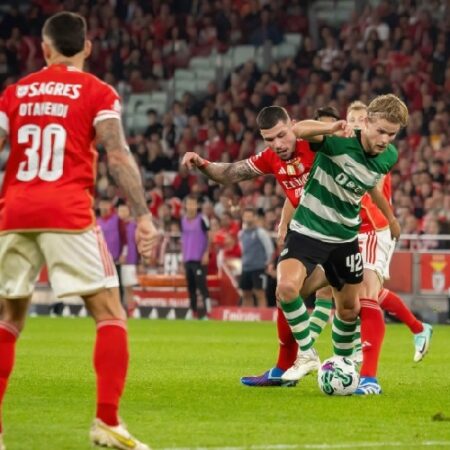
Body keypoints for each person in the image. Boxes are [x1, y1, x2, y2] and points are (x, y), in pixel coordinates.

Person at [0, 12, 158, 450]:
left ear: (45, 48)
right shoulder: (97, 92)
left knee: (8, 319)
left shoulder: (14, 93)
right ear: (87, 48)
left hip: (13, 213)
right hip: (67, 211)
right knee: (110, 312)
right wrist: (142, 215)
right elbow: (117, 153)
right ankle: (107, 422)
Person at [182, 105, 341, 386]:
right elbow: (230, 172)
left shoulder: (315, 143)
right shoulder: (271, 159)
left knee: (352, 303)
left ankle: (361, 372)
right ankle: (290, 364)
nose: (278, 144)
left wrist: (332, 127)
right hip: (306, 234)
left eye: (282, 135)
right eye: (269, 139)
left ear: (292, 125)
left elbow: (313, 131)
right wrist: (203, 164)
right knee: (286, 292)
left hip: (341, 231)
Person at [274, 94, 405, 393]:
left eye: (392, 134)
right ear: (367, 122)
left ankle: (344, 364)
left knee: (348, 310)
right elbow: (298, 131)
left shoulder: (390, 156)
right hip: (308, 229)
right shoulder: (339, 140)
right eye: (381, 130)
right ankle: (306, 355)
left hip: (345, 238)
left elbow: (369, 181)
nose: (385, 139)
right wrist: (331, 129)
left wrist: (390, 217)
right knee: (286, 289)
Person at [181, 195, 211, 318]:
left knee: (202, 286)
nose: (191, 207)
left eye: (193, 204)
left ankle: (208, 312)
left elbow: (209, 236)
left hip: (199, 259)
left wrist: (206, 252)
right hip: (188, 258)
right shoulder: (182, 220)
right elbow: (184, 240)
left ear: (197, 206)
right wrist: (182, 257)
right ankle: (193, 312)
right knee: (191, 287)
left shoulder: (202, 219)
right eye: (189, 204)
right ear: (185, 206)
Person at [238, 208, 274, 307]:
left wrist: (266, 263)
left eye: (250, 216)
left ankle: (262, 318)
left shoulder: (260, 232)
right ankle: (247, 318)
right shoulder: (241, 233)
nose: (248, 218)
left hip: (258, 268)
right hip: (245, 268)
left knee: (260, 294)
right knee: (245, 294)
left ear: (254, 217)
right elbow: (242, 250)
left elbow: (269, 249)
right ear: (243, 218)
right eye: (246, 216)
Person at [117, 203, 139, 313]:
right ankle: (125, 307)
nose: (122, 214)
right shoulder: (115, 226)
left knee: (128, 286)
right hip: (116, 261)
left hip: (130, 260)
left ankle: (131, 308)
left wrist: (140, 260)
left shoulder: (134, 226)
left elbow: (138, 242)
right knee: (120, 287)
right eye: (120, 211)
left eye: (124, 211)